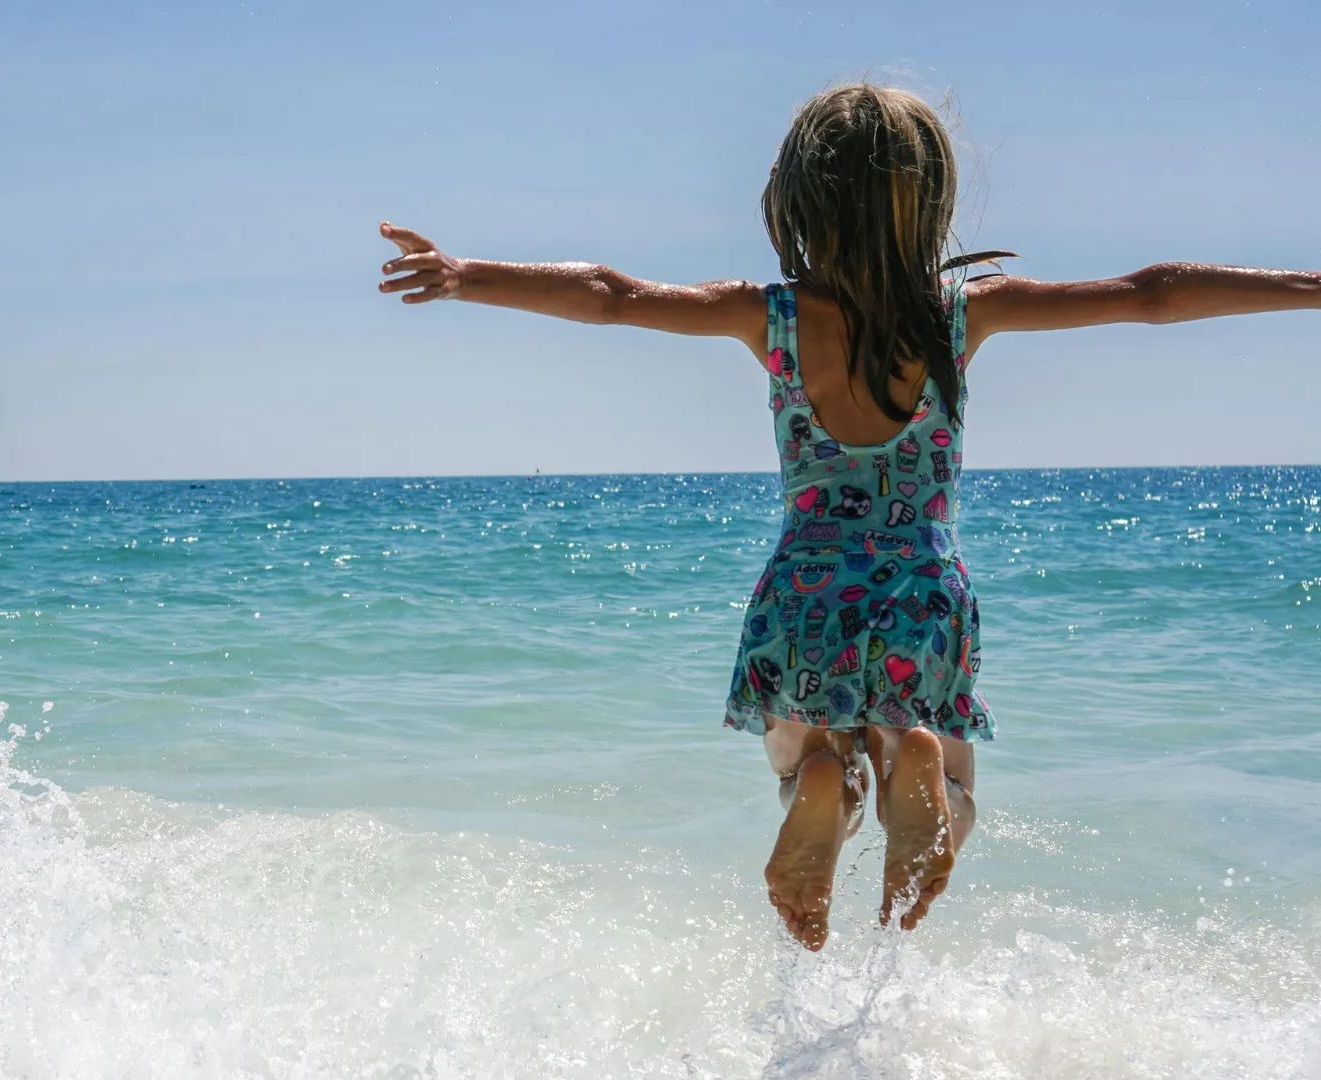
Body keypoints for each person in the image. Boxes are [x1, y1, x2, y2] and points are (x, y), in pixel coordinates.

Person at [374, 83, 1321, 951]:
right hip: (921, 588)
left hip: (803, 590)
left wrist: (468, 274)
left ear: (797, 198)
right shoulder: (964, 313)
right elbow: (1151, 294)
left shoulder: (770, 315)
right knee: (954, 782)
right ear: (936, 197)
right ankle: (918, 767)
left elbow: (614, 296)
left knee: (795, 744)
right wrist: (1309, 287)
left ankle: (818, 775)